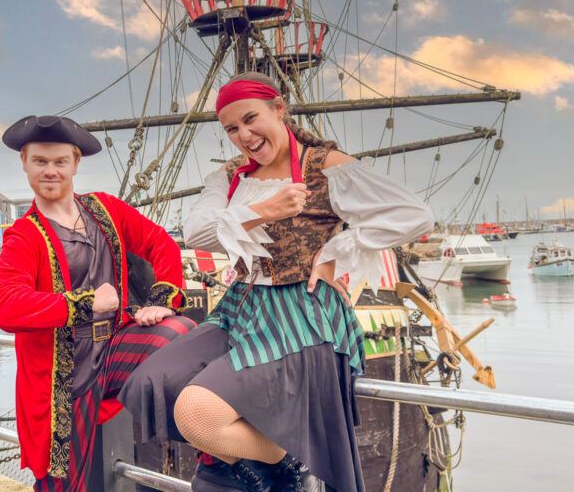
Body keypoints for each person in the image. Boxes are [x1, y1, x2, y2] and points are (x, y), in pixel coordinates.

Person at [120, 73, 435, 492]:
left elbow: (414, 214)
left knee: (196, 412)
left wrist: (334, 254)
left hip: (303, 315)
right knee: (148, 384)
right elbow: (196, 233)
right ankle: (259, 455)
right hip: (241, 305)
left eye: (251, 119)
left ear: (279, 110)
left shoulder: (325, 167)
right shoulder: (230, 176)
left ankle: (288, 457)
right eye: (232, 128)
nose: (244, 135)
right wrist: (263, 210)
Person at [0, 115, 196, 491]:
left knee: (183, 333)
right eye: (40, 161)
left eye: (59, 162)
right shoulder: (23, 235)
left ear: (75, 163)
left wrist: (162, 297)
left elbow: (160, 243)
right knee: (63, 484)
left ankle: (211, 444)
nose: (50, 171)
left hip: (114, 349)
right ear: (24, 162)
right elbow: (6, 306)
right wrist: (85, 303)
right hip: (62, 377)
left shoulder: (105, 209)